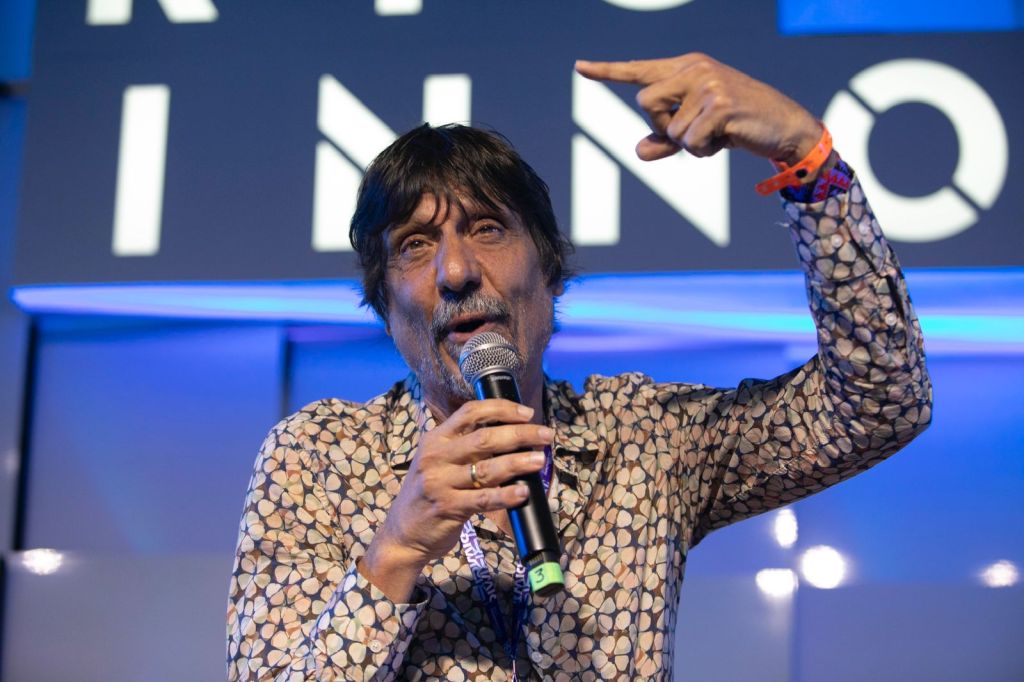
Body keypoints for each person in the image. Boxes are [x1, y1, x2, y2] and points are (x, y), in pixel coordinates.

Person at [227, 53, 932, 681]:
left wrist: (807, 157)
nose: (456, 271)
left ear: (550, 269)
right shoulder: (316, 458)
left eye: (487, 228)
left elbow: (881, 401)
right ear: (384, 303)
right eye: (415, 244)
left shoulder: (644, 439)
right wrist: (396, 550)